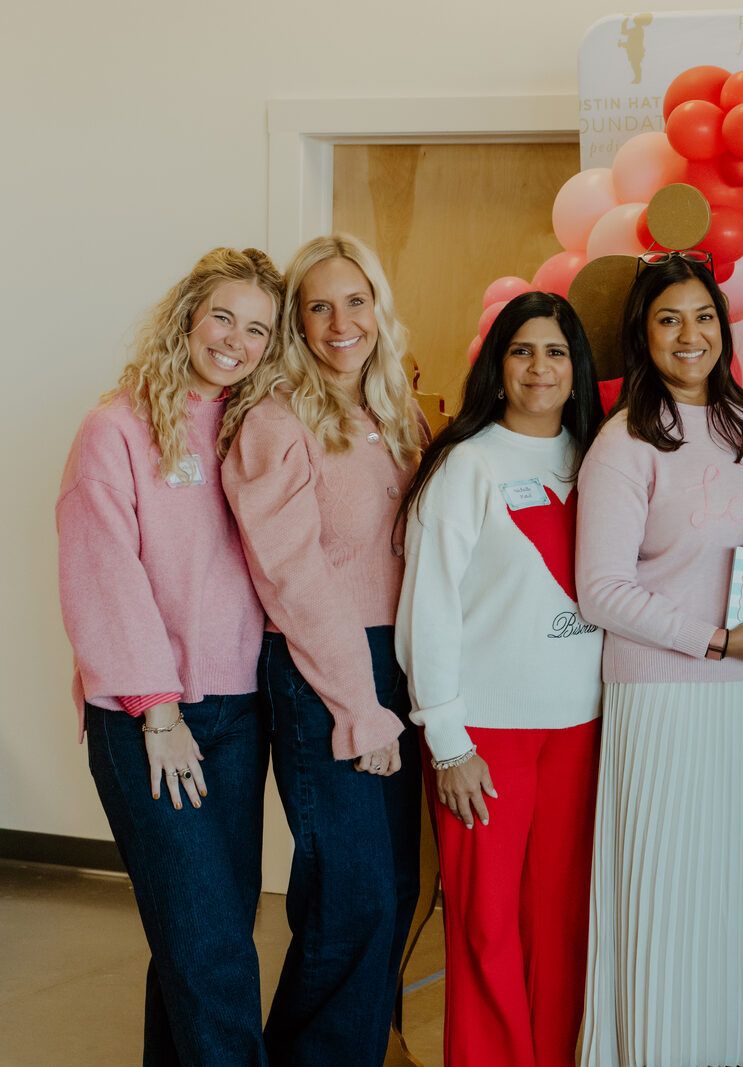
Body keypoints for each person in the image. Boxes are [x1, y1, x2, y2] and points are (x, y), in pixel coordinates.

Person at [576, 251, 743, 1067]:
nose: (690, 334)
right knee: (670, 897)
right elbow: (600, 591)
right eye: (669, 318)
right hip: (666, 701)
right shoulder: (625, 442)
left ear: (723, 325)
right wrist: (715, 641)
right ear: (643, 333)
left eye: (704, 316)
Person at [57, 247, 283, 1065]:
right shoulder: (114, 427)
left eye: (258, 328)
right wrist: (158, 710)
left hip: (238, 710)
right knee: (212, 948)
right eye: (224, 315)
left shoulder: (252, 427)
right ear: (188, 312)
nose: (236, 340)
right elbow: (102, 574)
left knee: (204, 940)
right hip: (149, 717)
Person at [222, 233, 426, 1066]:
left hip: (397, 664)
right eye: (319, 305)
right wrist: (358, 704)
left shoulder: (394, 413)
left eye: (356, 300)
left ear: (378, 308)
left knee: (395, 891)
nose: (341, 322)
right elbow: (293, 578)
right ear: (296, 323)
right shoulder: (274, 421)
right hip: (322, 672)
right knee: (355, 900)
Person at [395, 291, 604, 1066]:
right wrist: (448, 741)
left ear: (577, 369)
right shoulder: (465, 464)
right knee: (486, 928)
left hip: (584, 731)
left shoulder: (600, 457)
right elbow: (430, 610)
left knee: (560, 928)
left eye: (555, 352)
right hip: (487, 739)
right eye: (522, 351)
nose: (539, 367)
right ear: (498, 365)